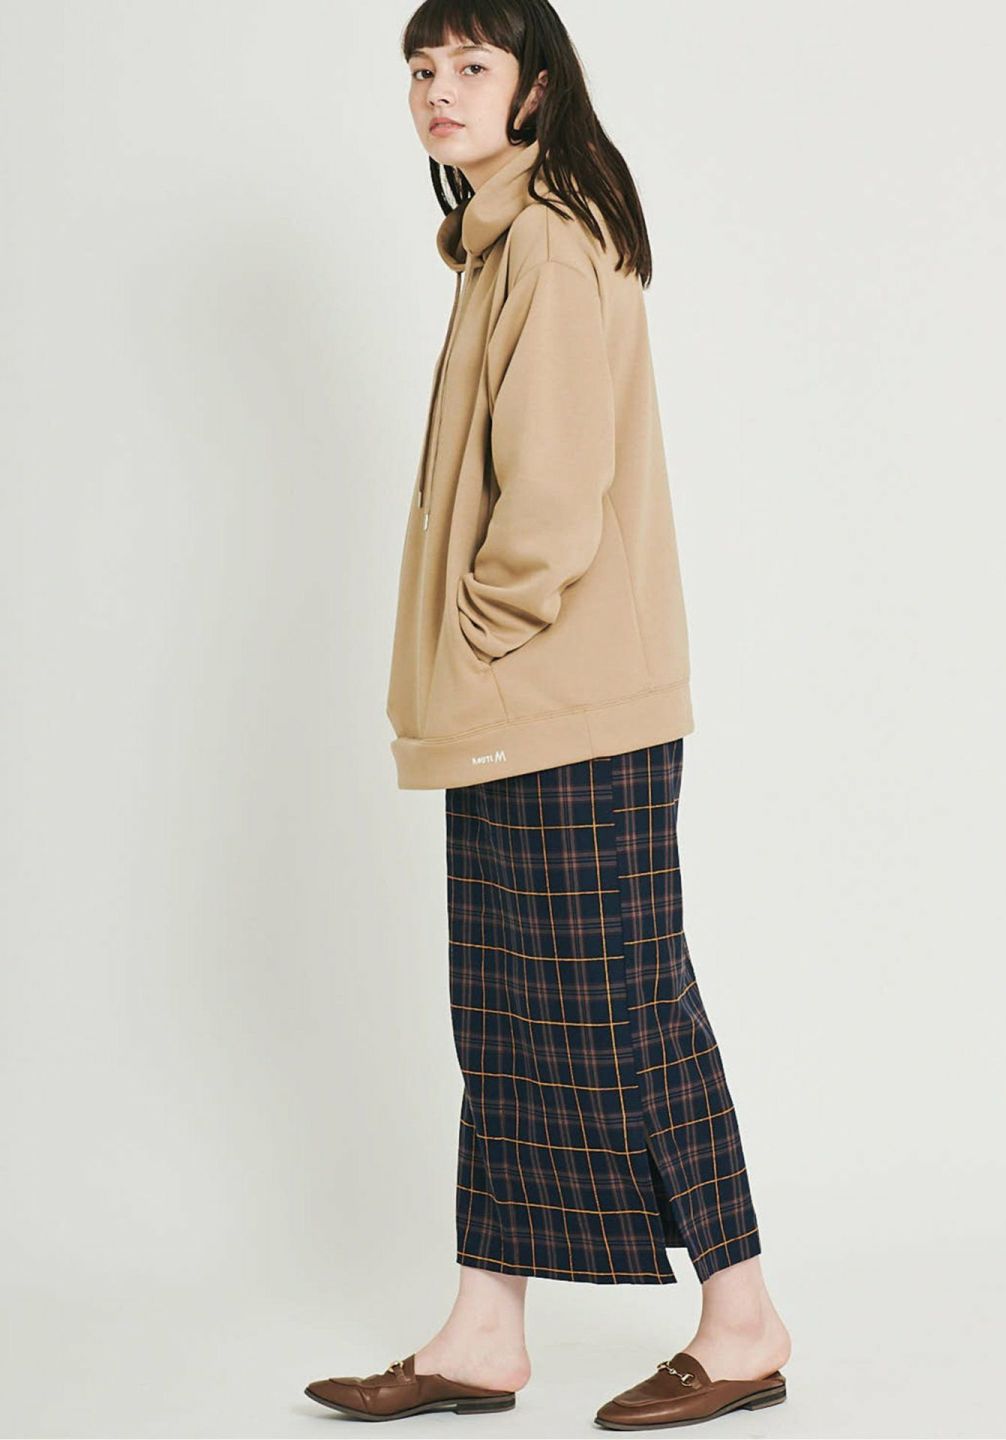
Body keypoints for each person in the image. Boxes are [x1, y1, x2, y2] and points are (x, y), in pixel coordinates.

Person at [305, 1, 791, 1429]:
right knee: (509, 1016)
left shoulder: (552, 244)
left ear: (532, 92)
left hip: (571, 703)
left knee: (631, 1008)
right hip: (523, 708)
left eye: (471, 65)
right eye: (421, 68)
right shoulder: (499, 241)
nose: (438, 90)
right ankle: (484, 1331)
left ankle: (745, 1321)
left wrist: (481, 631)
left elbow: (556, 499)